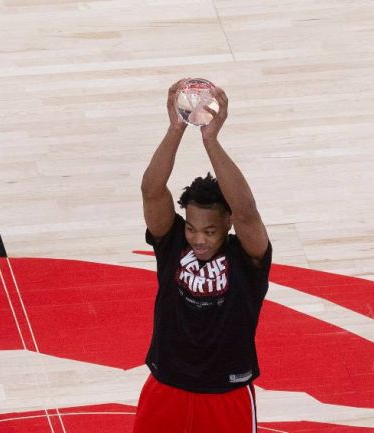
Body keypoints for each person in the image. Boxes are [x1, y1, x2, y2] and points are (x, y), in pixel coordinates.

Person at [134, 80, 271, 433]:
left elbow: (247, 210)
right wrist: (176, 129)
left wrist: (211, 140)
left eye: (209, 231)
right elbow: (151, 190)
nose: (197, 239)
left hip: (226, 392)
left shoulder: (249, 258)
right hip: (167, 384)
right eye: (192, 228)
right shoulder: (172, 243)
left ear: (226, 224)